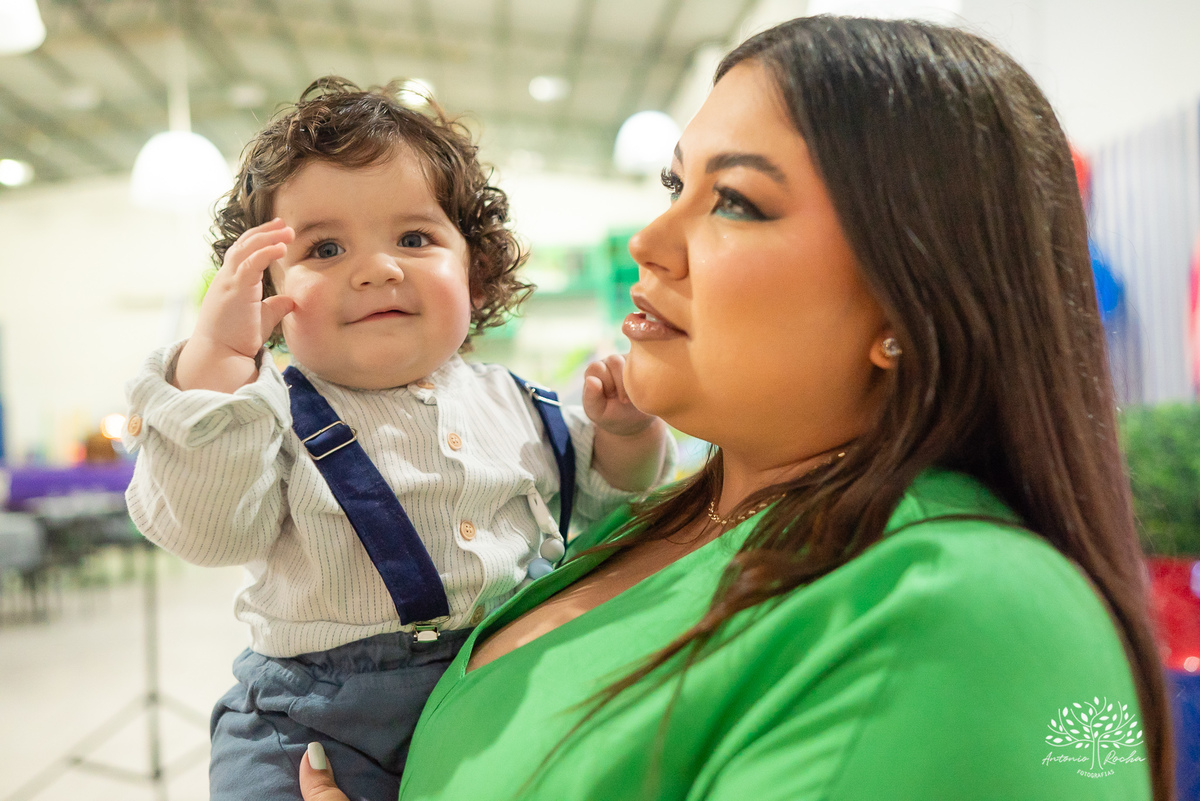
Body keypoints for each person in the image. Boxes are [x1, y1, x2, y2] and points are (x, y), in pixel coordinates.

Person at [299, 16, 1173, 801]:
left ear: (908, 302)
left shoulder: (963, 608)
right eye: (674, 185)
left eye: (737, 202)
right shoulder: (652, 522)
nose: (649, 241)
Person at [122, 78, 674, 801]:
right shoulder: (265, 413)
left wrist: (627, 428)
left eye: (414, 238)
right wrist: (217, 372)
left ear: (474, 273)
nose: (377, 267)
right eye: (323, 247)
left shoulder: (514, 400)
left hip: (497, 685)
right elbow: (207, 532)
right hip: (316, 725)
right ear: (266, 297)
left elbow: (610, 497)